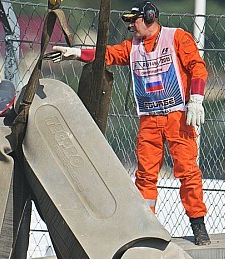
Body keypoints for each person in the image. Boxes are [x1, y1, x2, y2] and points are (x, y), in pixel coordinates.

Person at [47, 1, 211, 245]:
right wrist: (77, 53)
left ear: (150, 17)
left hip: (178, 117)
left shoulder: (176, 38)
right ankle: (146, 228)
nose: (131, 26)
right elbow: (107, 55)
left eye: (134, 21)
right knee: (145, 176)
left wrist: (196, 100)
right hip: (149, 120)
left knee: (187, 172)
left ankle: (198, 225)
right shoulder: (133, 47)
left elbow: (197, 67)